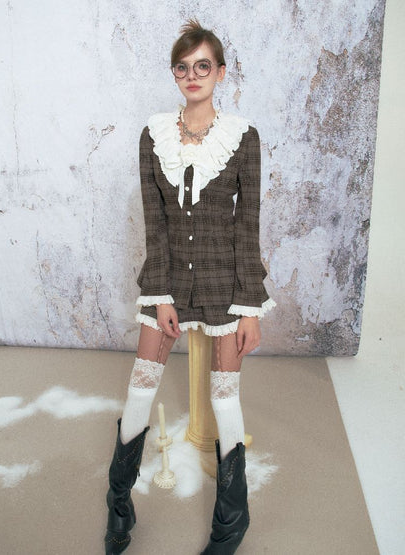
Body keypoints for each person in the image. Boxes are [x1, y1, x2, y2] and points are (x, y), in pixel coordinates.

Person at [104, 19, 276, 555]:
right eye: (183, 67)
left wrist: (249, 308)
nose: (193, 75)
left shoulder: (242, 137)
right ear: (175, 74)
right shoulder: (154, 135)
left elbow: (247, 226)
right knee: (140, 388)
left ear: (220, 73)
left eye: (203, 65)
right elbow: (154, 224)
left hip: (226, 284)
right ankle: (118, 504)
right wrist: (160, 295)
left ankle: (231, 523)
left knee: (226, 400)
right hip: (170, 279)